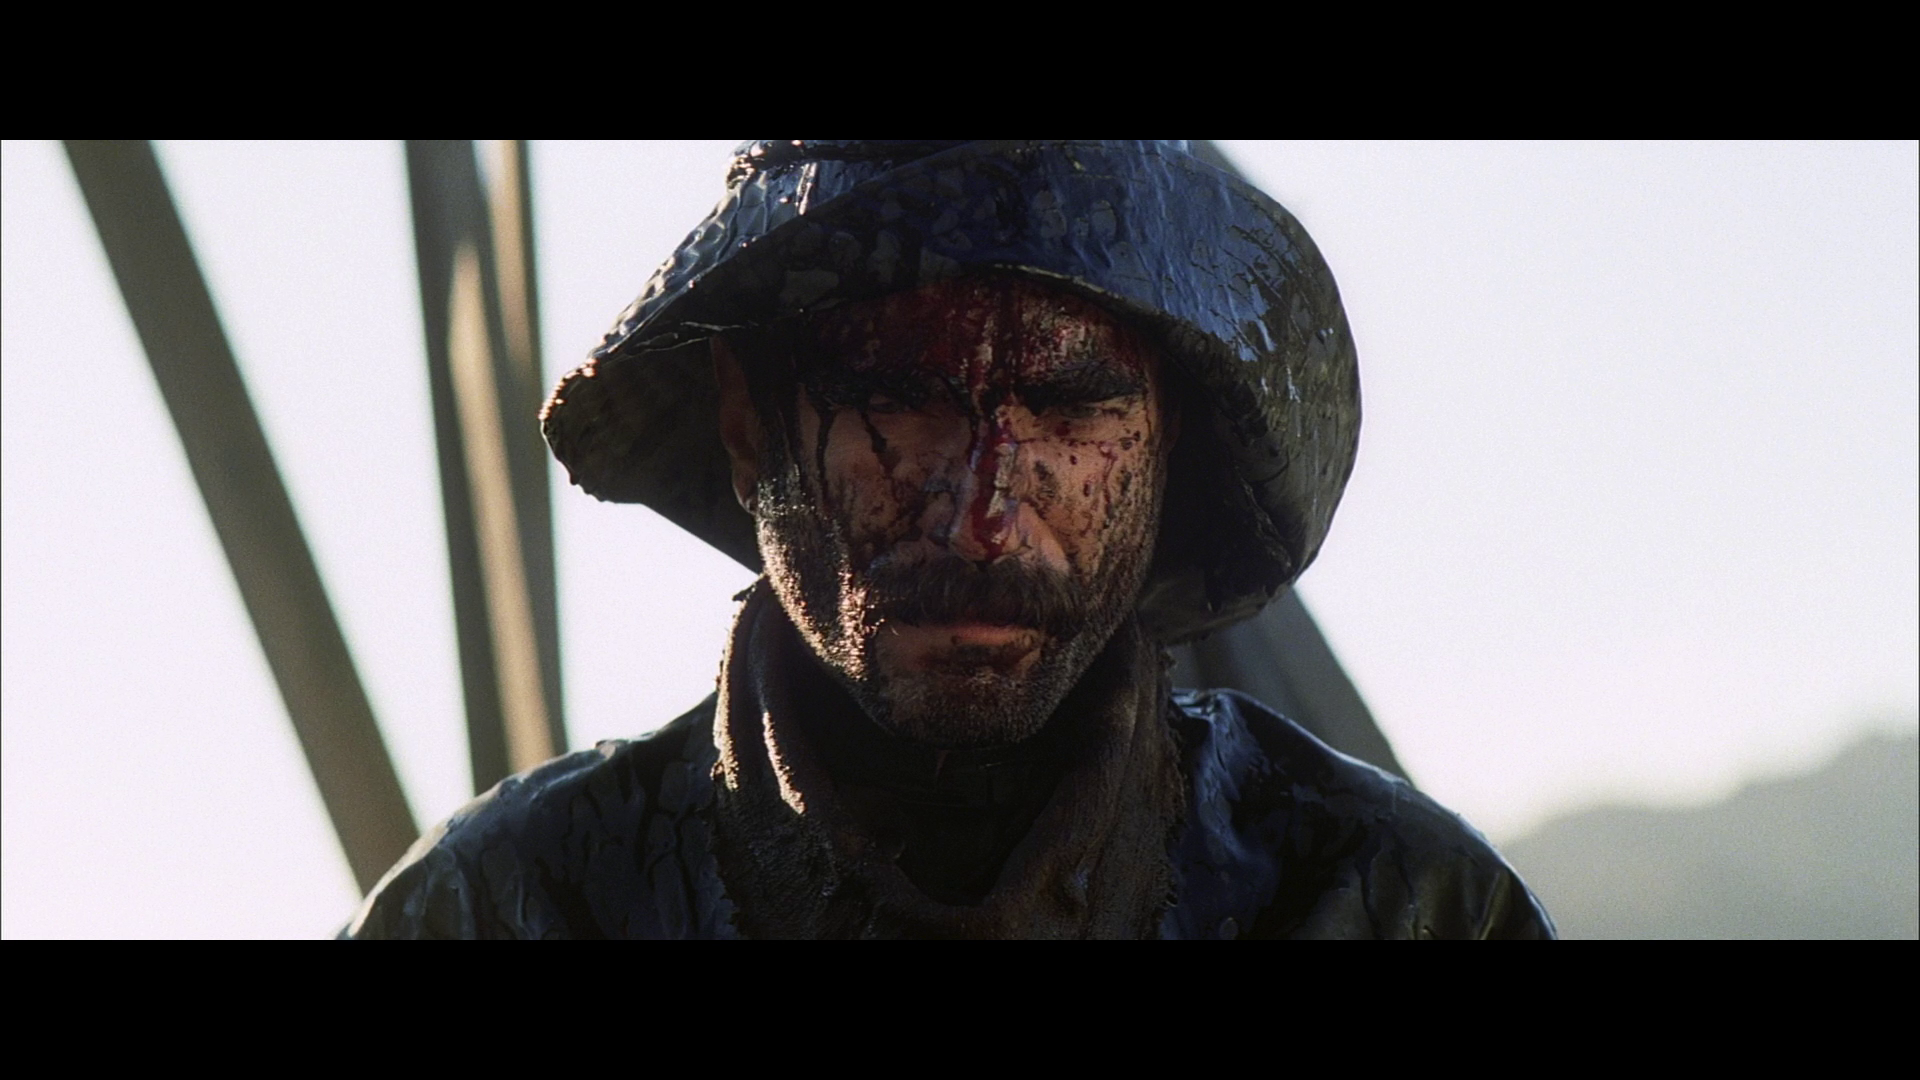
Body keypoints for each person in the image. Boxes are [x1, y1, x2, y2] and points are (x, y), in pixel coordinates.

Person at [344, 140, 1555, 939]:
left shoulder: (1396, 908)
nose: (981, 516)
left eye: (1071, 409)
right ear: (747, 422)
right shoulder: (505, 913)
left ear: (1169, 439)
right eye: (898, 400)